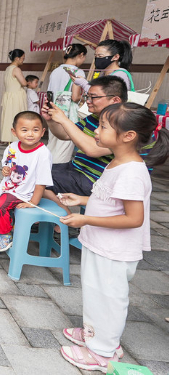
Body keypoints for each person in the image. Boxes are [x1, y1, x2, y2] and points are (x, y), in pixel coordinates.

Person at [58, 103, 169, 372]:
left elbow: (133, 219)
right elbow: (110, 200)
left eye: (104, 126)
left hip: (114, 250)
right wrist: (82, 200)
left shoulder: (132, 172)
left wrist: (85, 219)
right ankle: (94, 334)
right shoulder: (117, 161)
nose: (96, 131)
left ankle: (102, 352)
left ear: (128, 136)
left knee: (108, 300)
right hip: (101, 244)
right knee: (95, 293)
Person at [41, 76, 134, 212]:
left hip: (95, 181)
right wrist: (51, 120)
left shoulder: (124, 125)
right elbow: (65, 134)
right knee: (35, 169)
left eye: (93, 97)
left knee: (37, 178)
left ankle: (64, 216)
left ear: (115, 100)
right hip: (76, 169)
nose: (87, 101)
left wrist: (64, 120)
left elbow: (92, 150)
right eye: (87, 96)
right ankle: (61, 215)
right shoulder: (94, 117)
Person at [0, 111, 52, 255]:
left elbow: (42, 181)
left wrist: (33, 202)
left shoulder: (42, 153)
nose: (30, 134)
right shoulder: (12, 147)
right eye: (24, 130)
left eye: (35, 130)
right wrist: (5, 169)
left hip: (24, 192)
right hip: (7, 188)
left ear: (43, 132)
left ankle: (5, 235)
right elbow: (7, 164)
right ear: (14, 132)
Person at [47, 44, 87, 163]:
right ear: (81, 55)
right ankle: (57, 170)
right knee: (64, 146)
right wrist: (85, 99)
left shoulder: (56, 70)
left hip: (53, 110)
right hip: (68, 114)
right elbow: (75, 97)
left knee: (52, 143)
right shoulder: (78, 72)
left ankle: (46, 166)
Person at [0, 49, 28, 144]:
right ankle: (15, 138)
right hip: (16, 96)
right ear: (17, 58)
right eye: (22, 58)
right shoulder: (16, 69)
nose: (23, 60)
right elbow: (23, 83)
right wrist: (28, 82)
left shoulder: (8, 68)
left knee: (8, 116)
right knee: (17, 116)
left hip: (8, 95)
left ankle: (7, 137)